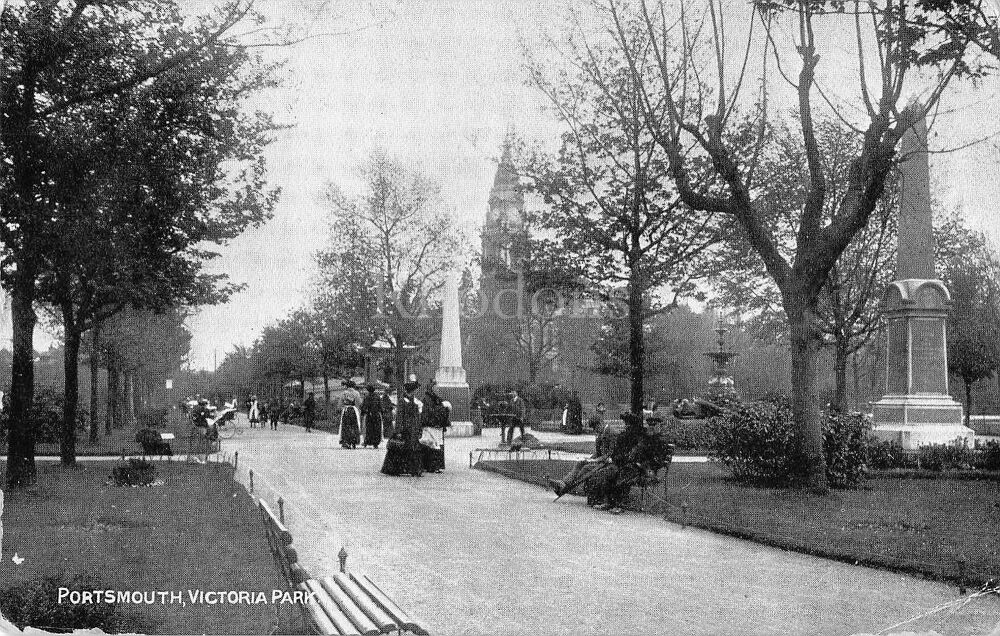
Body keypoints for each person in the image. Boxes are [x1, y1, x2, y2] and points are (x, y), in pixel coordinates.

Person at [381, 378, 422, 476]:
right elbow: (399, 417)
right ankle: (400, 469)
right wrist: (398, 431)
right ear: (411, 391)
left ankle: (413, 469)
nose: (416, 392)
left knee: (412, 449)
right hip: (405, 429)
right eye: (415, 390)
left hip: (413, 429)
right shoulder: (402, 401)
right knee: (401, 449)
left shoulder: (413, 400)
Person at [338, 381, 361, 448]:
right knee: (354, 426)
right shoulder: (356, 393)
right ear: (354, 386)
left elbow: (340, 403)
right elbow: (358, 403)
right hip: (354, 410)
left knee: (346, 426)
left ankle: (346, 441)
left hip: (346, 410)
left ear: (347, 386)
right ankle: (354, 441)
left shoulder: (344, 393)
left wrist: (341, 408)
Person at [360, 384, 383, 449]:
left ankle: (367, 442)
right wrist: (381, 412)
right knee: (376, 429)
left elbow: (364, 406)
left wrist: (363, 412)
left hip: (369, 415)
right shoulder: (377, 396)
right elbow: (380, 406)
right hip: (377, 415)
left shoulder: (367, 397)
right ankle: (375, 443)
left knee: (368, 429)